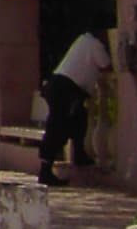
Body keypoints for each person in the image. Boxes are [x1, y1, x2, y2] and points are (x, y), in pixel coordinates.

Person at [40, 31, 110, 184]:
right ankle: (45, 170)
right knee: (58, 126)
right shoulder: (95, 45)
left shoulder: (82, 40)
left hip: (59, 85)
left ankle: (78, 154)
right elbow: (106, 65)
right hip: (67, 89)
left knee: (78, 119)